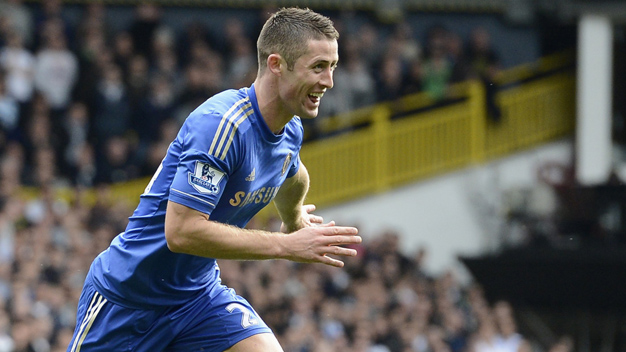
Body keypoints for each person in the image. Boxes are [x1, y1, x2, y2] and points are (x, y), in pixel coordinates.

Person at [66, 7, 361, 352]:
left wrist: (294, 220)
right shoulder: (222, 125)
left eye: (332, 67)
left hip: (198, 300)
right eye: (318, 67)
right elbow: (182, 232)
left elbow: (292, 173)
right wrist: (286, 246)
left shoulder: (290, 127)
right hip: (128, 302)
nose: (329, 82)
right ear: (277, 65)